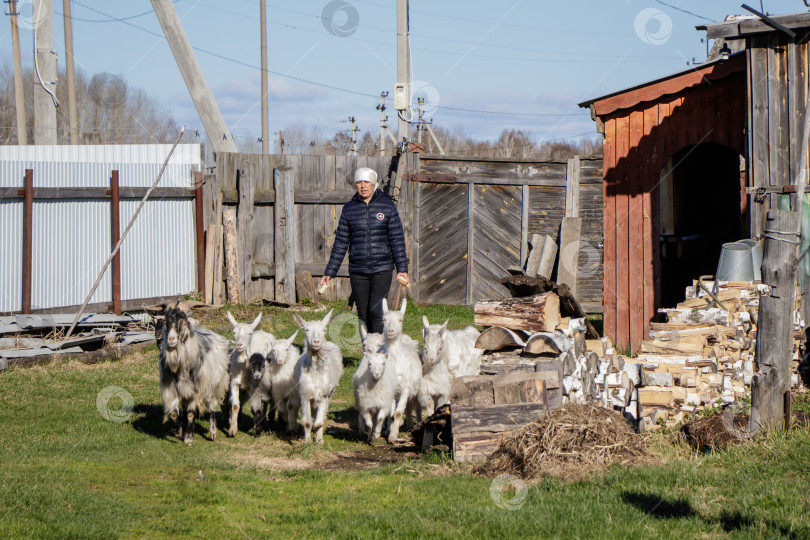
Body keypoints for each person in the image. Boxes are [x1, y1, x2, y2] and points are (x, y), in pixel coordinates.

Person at [320, 167, 409, 333]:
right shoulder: (349, 209)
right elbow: (340, 242)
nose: (362, 186)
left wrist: (402, 269)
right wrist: (329, 272)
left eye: (366, 182)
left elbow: (397, 239)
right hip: (358, 269)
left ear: (374, 184)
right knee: (362, 313)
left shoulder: (387, 206)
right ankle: (368, 352)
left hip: (382, 268)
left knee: (376, 312)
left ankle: (379, 349)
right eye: (359, 182)